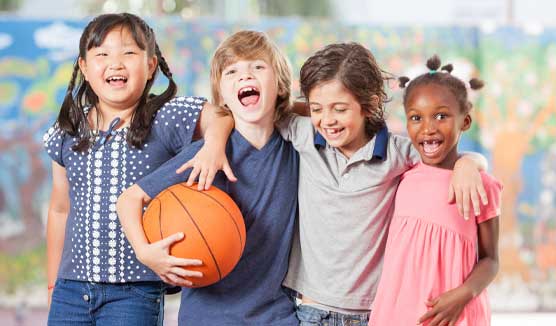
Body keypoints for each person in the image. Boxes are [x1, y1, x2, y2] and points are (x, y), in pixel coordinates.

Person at [184, 42, 490, 325]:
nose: (327, 120)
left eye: (340, 109)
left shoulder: (397, 153)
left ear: (369, 104)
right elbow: (243, 112)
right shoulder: (302, 133)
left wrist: (470, 163)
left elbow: (444, 153)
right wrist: (214, 140)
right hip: (310, 311)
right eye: (317, 109)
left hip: (373, 313)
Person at [44, 13, 227, 325]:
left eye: (128, 53)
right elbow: (60, 210)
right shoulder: (68, 130)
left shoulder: (165, 116)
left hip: (136, 290)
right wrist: (53, 284)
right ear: (85, 69)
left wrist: (213, 147)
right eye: (102, 54)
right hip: (70, 289)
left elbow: (220, 116)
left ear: (151, 66)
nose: (116, 63)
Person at [116, 30, 299, 325]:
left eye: (258, 67)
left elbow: (317, 110)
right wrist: (145, 253)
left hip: (275, 315)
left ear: (279, 85)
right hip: (207, 315)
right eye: (232, 72)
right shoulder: (205, 154)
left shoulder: (296, 146)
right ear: (222, 96)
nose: (245, 76)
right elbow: (129, 200)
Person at [369, 55, 501, 326]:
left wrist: (464, 294)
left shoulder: (480, 185)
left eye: (441, 116)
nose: (428, 128)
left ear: (465, 121)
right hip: (398, 314)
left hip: (454, 313)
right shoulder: (402, 175)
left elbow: (491, 259)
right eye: (416, 117)